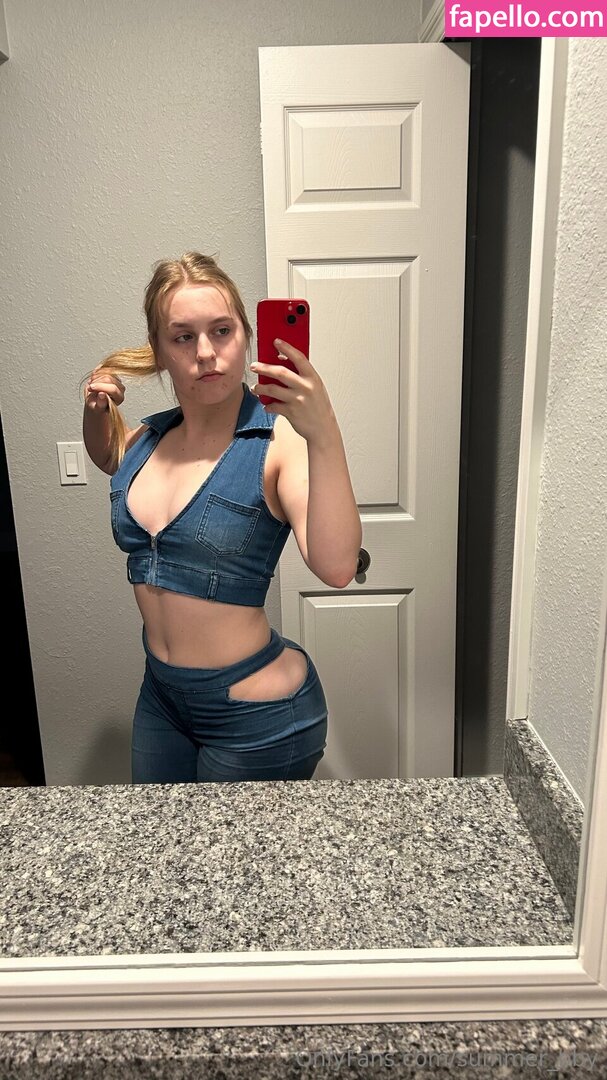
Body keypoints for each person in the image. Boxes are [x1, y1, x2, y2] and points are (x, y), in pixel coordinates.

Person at [82, 251, 362, 784]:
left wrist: (323, 429)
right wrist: (96, 411)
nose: (206, 352)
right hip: (161, 700)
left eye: (222, 331)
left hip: (257, 714)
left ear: (247, 337)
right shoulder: (148, 439)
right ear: (159, 351)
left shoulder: (278, 446)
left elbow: (337, 566)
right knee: (159, 835)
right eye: (183, 337)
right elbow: (109, 457)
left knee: (234, 846)